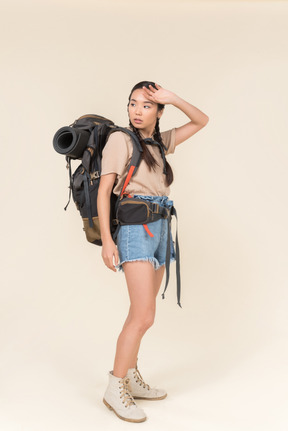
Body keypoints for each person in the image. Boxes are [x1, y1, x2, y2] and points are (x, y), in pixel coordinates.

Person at [97, 81, 209, 423]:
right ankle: (115, 385)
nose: (136, 110)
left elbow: (201, 120)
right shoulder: (120, 139)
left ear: (159, 112)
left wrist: (172, 98)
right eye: (133, 103)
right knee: (143, 314)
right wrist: (107, 240)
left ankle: (130, 375)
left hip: (160, 227)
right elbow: (105, 191)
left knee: (143, 313)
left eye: (146, 105)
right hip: (134, 229)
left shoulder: (158, 143)